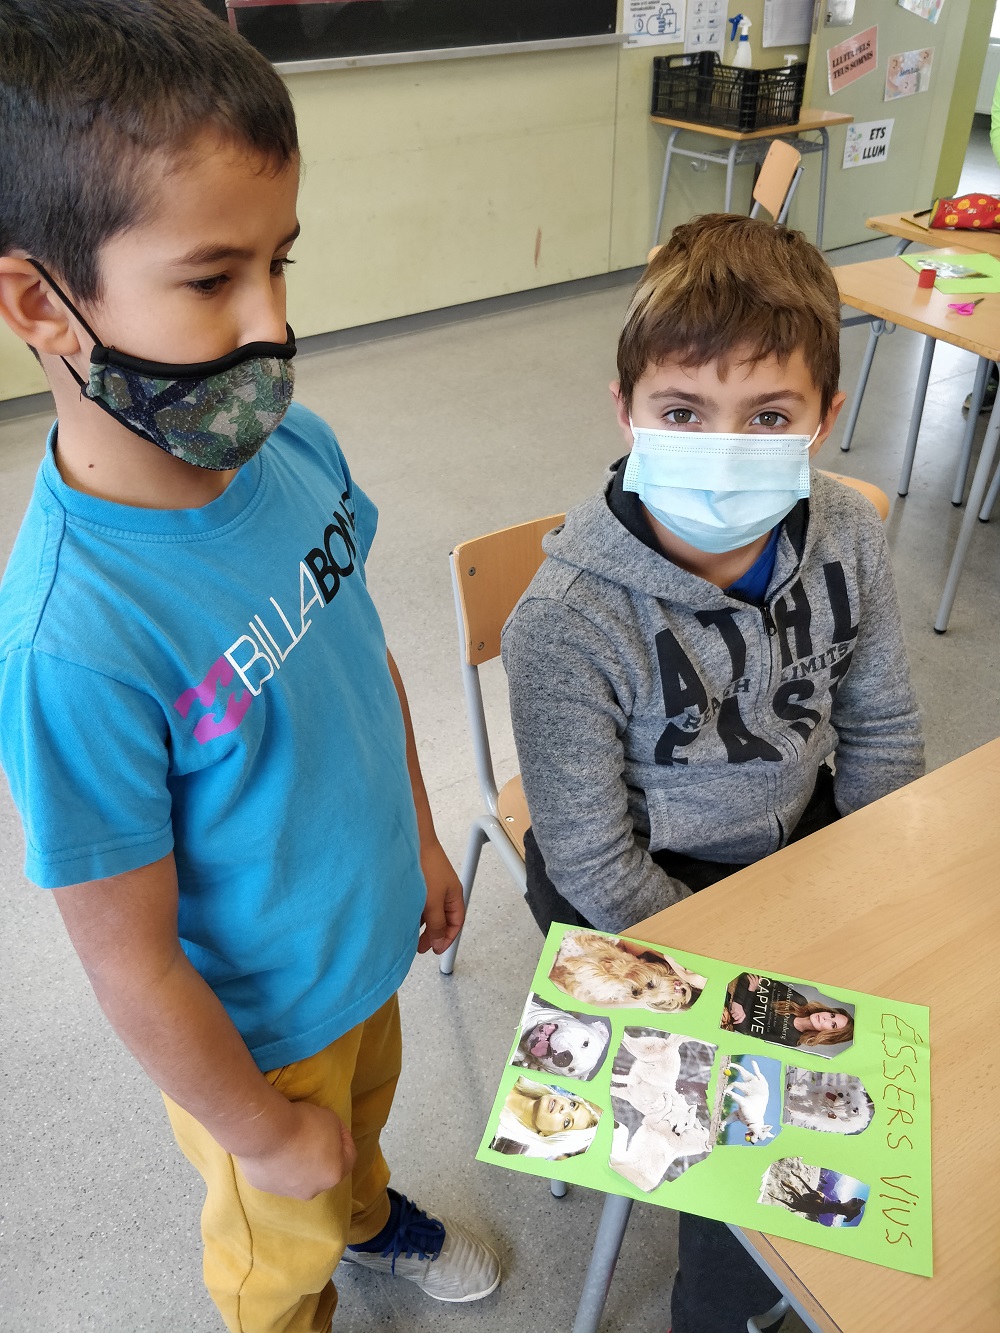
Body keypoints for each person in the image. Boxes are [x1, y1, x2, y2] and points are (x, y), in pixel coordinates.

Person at [0, 4, 499, 1331]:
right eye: (213, 278)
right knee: (278, 1255)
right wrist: (260, 1129)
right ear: (40, 302)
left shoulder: (299, 449)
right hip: (256, 1048)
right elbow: (128, 963)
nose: (274, 324)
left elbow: (363, 661)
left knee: (361, 1136)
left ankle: (370, 1216)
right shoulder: (73, 643)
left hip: (366, 945)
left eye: (281, 262)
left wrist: (419, 840)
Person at [502, 214, 924, 1333]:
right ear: (626, 409)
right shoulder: (565, 619)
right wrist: (740, 991)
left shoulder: (847, 532)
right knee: (746, 1145)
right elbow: (594, 860)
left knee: (914, 1037)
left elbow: (882, 727)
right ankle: (720, 1313)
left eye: (769, 416)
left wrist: (878, 894)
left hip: (800, 842)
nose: (724, 445)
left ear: (825, 417)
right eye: (684, 412)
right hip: (640, 889)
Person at [723, 973, 854, 1050]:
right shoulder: (798, 1000)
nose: (826, 1018)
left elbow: (744, 1030)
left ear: (828, 1036)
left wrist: (751, 992)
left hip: (722, 1014)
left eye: (833, 1025)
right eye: (832, 1015)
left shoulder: (793, 1040)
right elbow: (749, 977)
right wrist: (738, 1003)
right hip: (726, 985)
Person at [491, 1077, 601, 1159]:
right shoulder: (521, 1073)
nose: (564, 1108)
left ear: (548, 1136)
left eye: (567, 1122)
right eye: (573, 1105)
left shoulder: (498, 1142)